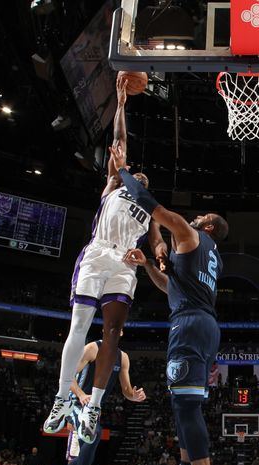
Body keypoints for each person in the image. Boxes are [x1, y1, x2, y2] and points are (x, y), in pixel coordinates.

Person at [43, 75, 165, 443]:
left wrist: (156, 257)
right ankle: (62, 399)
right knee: (79, 325)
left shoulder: (149, 208)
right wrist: (122, 103)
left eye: (143, 177)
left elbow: (159, 243)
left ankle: (94, 406)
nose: (138, 175)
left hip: (125, 267)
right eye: (135, 173)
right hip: (98, 254)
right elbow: (120, 142)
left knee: (113, 333)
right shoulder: (114, 184)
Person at [110, 144, 230, 465]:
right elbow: (169, 286)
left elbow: (153, 207)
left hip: (191, 326)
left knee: (186, 406)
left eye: (201, 216)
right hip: (201, 323)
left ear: (208, 226)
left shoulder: (193, 236)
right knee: (184, 403)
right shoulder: (207, 256)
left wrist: (124, 173)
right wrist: (149, 262)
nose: (194, 216)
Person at [41, 338, 146, 465]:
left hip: (93, 411)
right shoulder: (92, 348)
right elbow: (68, 376)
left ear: (121, 332)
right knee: (92, 438)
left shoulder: (123, 357)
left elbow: (126, 390)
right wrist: (82, 395)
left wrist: (134, 396)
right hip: (75, 403)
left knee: (88, 449)